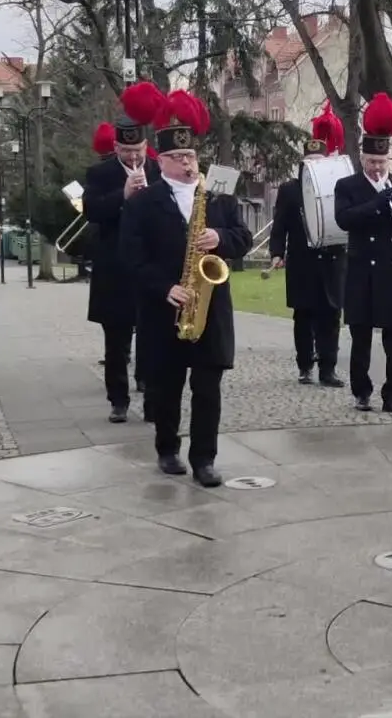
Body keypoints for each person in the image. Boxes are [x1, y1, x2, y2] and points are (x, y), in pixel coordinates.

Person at [120, 85, 252, 487]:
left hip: (210, 307)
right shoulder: (143, 202)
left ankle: (205, 458)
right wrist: (165, 289)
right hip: (165, 310)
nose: (188, 165)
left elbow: (243, 237)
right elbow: (131, 258)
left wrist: (220, 238)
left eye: (191, 156)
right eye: (178, 158)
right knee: (167, 387)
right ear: (161, 161)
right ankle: (166, 448)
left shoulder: (218, 196)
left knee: (208, 387)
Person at [84, 97, 163, 423]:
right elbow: (90, 210)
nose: (133, 158)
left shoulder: (157, 170)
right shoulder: (100, 173)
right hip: (113, 267)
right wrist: (123, 195)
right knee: (115, 339)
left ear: (146, 146)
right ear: (116, 148)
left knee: (150, 333)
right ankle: (118, 399)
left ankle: (148, 388)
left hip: (149, 264)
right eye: (126, 152)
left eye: (138, 152)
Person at [333, 93, 392, 414]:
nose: (378, 168)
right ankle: (361, 391)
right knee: (361, 335)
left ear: (388, 161)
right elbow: (344, 219)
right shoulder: (348, 186)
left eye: (382, 163)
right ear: (362, 160)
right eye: (372, 163)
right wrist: (377, 203)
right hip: (361, 269)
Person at [269, 103, 348, 387]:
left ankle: (328, 368)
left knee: (331, 315)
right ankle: (305, 366)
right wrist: (277, 253)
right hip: (302, 262)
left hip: (332, 260)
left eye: (319, 160)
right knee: (303, 315)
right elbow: (280, 225)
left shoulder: (339, 186)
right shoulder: (290, 189)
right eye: (309, 161)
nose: (314, 165)